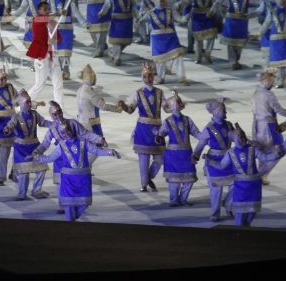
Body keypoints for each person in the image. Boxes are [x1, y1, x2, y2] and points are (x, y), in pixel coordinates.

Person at [36, 118, 121, 220]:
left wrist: (110, 152)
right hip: (68, 180)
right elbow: (50, 158)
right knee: (68, 204)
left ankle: (72, 218)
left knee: (85, 202)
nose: (66, 133)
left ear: (72, 129)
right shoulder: (61, 146)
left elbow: (96, 151)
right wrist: (36, 157)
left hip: (83, 179)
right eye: (63, 132)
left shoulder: (83, 142)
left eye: (68, 130)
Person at [118, 62, 164, 192]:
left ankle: (148, 178)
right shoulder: (137, 93)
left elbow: (167, 107)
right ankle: (144, 183)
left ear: (154, 76)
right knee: (143, 158)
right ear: (142, 78)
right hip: (143, 130)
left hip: (157, 131)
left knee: (159, 158)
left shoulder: (160, 92)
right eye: (146, 76)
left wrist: (175, 104)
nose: (148, 79)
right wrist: (124, 106)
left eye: (150, 76)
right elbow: (130, 109)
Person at [225, 125, 281, 227]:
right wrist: (210, 161)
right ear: (233, 139)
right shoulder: (230, 153)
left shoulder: (252, 150)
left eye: (242, 136)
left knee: (252, 211)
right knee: (241, 213)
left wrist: (276, 154)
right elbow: (222, 165)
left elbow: (265, 158)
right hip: (241, 187)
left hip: (254, 186)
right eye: (238, 136)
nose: (241, 138)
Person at [192, 99, 234, 221]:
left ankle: (229, 205)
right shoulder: (208, 129)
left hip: (229, 160)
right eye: (222, 109)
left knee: (236, 184)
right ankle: (215, 213)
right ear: (214, 112)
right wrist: (195, 155)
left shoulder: (229, 125)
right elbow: (201, 144)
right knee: (216, 189)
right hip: (214, 161)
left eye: (224, 109)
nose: (225, 111)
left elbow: (236, 139)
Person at [158, 91, 200, 207]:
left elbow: (196, 132)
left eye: (178, 102)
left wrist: (206, 138)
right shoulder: (167, 121)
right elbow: (160, 134)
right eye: (175, 103)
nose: (178, 104)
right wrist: (157, 137)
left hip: (186, 154)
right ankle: (174, 200)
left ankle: (183, 199)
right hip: (173, 155)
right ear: (171, 107)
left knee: (189, 179)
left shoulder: (187, 120)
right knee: (174, 180)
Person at [24, 0, 62, 104]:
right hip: (41, 56)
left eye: (48, 9)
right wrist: (59, 13)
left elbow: (58, 38)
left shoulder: (51, 22)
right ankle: (24, 102)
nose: (47, 11)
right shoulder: (37, 20)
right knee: (40, 84)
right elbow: (48, 18)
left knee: (58, 83)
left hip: (52, 55)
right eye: (45, 9)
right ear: (39, 10)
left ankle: (60, 108)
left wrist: (52, 40)